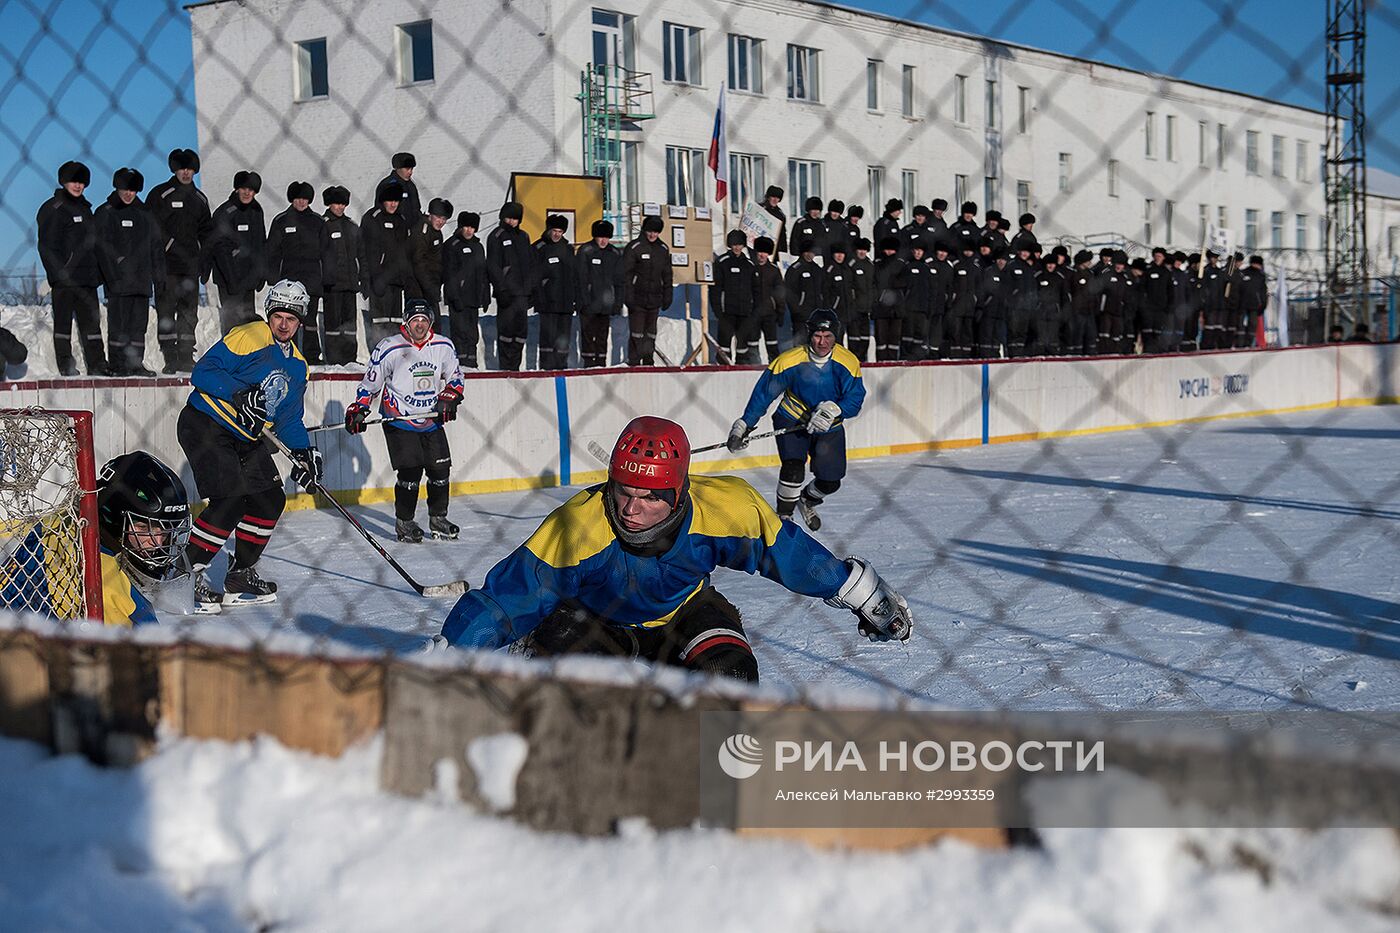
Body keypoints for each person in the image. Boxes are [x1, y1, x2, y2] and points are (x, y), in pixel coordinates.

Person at [439, 416, 911, 679]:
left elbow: (789, 555)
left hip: (683, 613)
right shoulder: (578, 525)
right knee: (584, 690)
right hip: (593, 619)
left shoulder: (726, 507)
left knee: (732, 676)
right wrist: (443, 658)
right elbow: (507, 597)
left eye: (650, 497)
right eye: (623, 490)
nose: (630, 509)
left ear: (679, 492)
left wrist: (866, 597)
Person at [178, 279, 319, 612]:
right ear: (270, 314)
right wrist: (237, 393)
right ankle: (182, 575)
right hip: (206, 424)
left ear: (300, 322)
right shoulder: (251, 335)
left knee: (268, 500)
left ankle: (240, 573)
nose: (284, 324)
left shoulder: (298, 366)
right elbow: (202, 372)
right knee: (229, 502)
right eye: (279, 316)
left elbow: (287, 420)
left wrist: (304, 453)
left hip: (246, 436)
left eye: (292, 318)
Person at [729, 309, 866, 531]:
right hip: (791, 420)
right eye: (818, 336)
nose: (822, 342)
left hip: (829, 427)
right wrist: (744, 424)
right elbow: (764, 395)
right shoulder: (789, 361)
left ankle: (807, 500)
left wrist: (833, 410)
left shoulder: (848, 362)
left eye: (828, 336)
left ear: (836, 337)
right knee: (793, 468)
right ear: (809, 334)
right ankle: (783, 517)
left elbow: (855, 400)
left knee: (831, 480)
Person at [345, 298, 464, 542]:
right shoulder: (389, 347)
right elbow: (371, 384)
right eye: (414, 320)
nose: (419, 325)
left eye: (424, 320)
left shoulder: (443, 345)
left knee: (440, 469)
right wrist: (360, 408)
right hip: (399, 418)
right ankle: (405, 522)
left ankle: (438, 518)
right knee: (410, 473)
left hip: (431, 419)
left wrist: (449, 398)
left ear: (430, 322)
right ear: (406, 323)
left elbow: (455, 377)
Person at [95, 451, 194, 625]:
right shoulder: (103, 579)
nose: (157, 543)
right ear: (114, 523)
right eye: (143, 528)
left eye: (165, 532)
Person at [36, 160, 107, 375]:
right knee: (63, 326)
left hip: (87, 280)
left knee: (92, 326)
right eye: (73, 181)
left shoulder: (87, 210)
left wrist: (98, 274)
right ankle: (65, 364)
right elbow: (46, 246)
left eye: (81, 182)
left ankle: (98, 364)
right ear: (64, 182)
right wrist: (57, 275)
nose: (77, 186)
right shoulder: (53, 208)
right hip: (64, 281)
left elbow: (94, 245)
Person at [148, 148, 211, 373]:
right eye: (182, 168)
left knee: (189, 312)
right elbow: (151, 230)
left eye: (190, 169)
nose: (186, 173)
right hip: (166, 267)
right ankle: (170, 356)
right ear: (175, 169)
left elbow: (207, 233)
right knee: (166, 311)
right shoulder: (160, 195)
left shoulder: (199, 199)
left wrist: (205, 262)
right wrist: (165, 251)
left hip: (190, 267)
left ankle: (186, 354)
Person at [94, 167, 162, 375]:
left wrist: (159, 275)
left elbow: (155, 246)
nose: (128, 193)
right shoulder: (105, 213)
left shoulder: (145, 214)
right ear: (117, 187)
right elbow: (100, 249)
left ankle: (135, 363)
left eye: (132, 190)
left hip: (141, 281)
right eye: (124, 188)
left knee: (138, 327)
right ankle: (117, 364)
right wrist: (111, 275)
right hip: (117, 282)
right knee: (118, 326)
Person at [266, 181, 327, 364]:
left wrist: (325, 279)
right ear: (292, 199)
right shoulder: (281, 220)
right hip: (288, 284)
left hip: (311, 281)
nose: (301, 202)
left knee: (309, 321)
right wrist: (272, 277)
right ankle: (285, 353)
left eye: (305, 199)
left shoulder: (317, 222)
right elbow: (272, 252)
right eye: (298, 198)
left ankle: (311, 355)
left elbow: (327, 252)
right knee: (287, 320)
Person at [208, 170, 267, 334]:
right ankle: (231, 358)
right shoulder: (224, 212)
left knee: (249, 324)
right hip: (229, 281)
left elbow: (261, 243)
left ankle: (248, 357)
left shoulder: (256, 211)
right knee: (232, 325)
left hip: (249, 279)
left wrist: (261, 272)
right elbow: (219, 248)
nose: (247, 193)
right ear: (236, 189)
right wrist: (231, 278)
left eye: (251, 190)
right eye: (243, 188)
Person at [359, 179, 412, 346]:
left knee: (395, 322)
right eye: (390, 200)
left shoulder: (401, 220)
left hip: (397, 281)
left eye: (396, 201)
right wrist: (369, 278)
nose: (393, 204)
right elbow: (364, 252)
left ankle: (395, 353)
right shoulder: (371, 218)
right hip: (378, 280)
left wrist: (405, 276)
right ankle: (379, 353)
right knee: (380, 323)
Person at [441, 211, 494, 369]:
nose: (469, 230)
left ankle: (471, 361)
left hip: (473, 298)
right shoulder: (451, 245)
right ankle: (460, 362)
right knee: (459, 332)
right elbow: (448, 273)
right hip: (458, 298)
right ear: (460, 226)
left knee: (472, 333)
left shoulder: (478, 247)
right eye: (466, 226)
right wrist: (453, 295)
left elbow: (483, 273)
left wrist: (485, 295)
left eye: (472, 227)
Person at [487, 201, 536, 370]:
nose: (512, 222)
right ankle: (505, 366)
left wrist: (530, 291)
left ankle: (515, 366)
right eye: (509, 218)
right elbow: (493, 265)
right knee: (506, 333)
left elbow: (529, 265)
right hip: (506, 294)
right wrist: (501, 289)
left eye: (515, 219)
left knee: (520, 333)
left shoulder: (524, 237)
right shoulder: (496, 236)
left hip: (522, 294)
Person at [621, 215, 671, 366]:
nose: (652, 235)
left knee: (651, 332)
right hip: (637, 299)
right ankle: (634, 361)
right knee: (637, 333)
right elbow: (626, 274)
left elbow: (667, 274)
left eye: (656, 232)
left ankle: (648, 360)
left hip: (654, 298)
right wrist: (628, 296)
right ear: (644, 230)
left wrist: (668, 294)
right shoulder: (634, 247)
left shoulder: (663, 249)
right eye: (650, 231)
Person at [319, 185, 361, 364]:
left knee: (350, 325)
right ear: (329, 204)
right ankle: (334, 358)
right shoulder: (322, 225)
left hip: (350, 284)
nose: (340, 207)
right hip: (332, 285)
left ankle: (350, 358)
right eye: (336, 204)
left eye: (343, 204)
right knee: (334, 325)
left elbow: (361, 254)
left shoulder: (351, 226)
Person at [534, 214, 577, 370]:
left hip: (565, 302)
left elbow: (574, 275)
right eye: (554, 230)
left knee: (563, 338)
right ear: (549, 230)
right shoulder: (539, 248)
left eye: (560, 231)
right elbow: (535, 277)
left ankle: (561, 365)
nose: (557, 234)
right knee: (548, 338)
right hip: (547, 302)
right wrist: (539, 297)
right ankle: (547, 367)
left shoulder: (568, 249)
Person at [711, 228, 761, 364]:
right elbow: (715, 289)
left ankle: (742, 366)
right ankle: (722, 367)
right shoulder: (722, 262)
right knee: (725, 343)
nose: (737, 247)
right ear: (729, 245)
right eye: (734, 244)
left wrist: (755, 310)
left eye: (739, 244)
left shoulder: (749, 264)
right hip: (727, 311)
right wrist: (718, 311)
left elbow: (756, 290)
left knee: (742, 345)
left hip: (745, 312)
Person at [408, 197, 454, 319]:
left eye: (444, 219)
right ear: (430, 215)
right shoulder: (422, 231)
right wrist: (429, 287)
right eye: (438, 217)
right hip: (419, 287)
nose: (441, 222)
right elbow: (418, 261)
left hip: (432, 285)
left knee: (434, 322)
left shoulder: (436, 232)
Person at [753, 236, 785, 363]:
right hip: (753, 313)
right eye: (760, 252)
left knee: (772, 342)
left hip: (769, 313)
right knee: (752, 342)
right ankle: (753, 365)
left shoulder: (773, 270)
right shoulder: (751, 268)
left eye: (765, 252)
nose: (762, 255)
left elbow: (780, 293)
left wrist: (780, 312)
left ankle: (775, 366)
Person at [845, 237, 875, 361]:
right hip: (854, 309)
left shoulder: (870, 265)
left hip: (866, 309)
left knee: (865, 338)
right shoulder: (851, 264)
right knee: (854, 338)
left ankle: (863, 360)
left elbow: (873, 285)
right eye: (860, 250)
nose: (862, 252)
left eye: (864, 250)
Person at [377, 152, 422, 224]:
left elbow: (416, 208)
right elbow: (380, 209)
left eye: (411, 169)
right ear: (398, 168)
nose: (410, 172)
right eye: (407, 169)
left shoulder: (411, 185)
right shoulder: (387, 185)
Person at [760, 185, 787, 257]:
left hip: (773, 251)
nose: (775, 200)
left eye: (777, 198)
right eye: (773, 197)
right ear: (768, 197)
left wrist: (783, 254)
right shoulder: (760, 209)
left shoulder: (780, 215)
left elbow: (782, 236)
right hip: (759, 249)